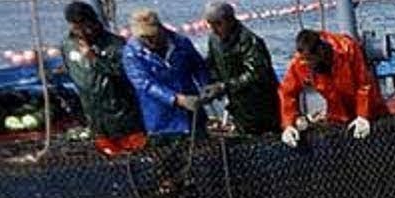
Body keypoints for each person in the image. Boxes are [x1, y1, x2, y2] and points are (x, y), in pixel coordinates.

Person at [61, 2, 147, 156]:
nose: (81, 32)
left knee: (138, 155)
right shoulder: (67, 46)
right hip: (95, 118)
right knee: (109, 159)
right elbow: (74, 75)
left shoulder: (116, 44)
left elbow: (128, 74)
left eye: (84, 26)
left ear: (93, 21)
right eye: (76, 27)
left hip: (123, 116)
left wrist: (95, 60)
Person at [278, 29, 387, 148]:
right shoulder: (301, 62)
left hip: (370, 109)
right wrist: (289, 124)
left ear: (320, 50)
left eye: (312, 60)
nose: (309, 65)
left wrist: (362, 116)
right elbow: (287, 92)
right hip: (338, 115)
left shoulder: (347, 48)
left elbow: (363, 84)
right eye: (307, 61)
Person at [122, 8, 211, 141]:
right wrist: (175, 99)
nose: (149, 42)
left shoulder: (181, 42)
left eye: (152, 36)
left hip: (192, 110)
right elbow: (144, 83)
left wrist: (206, 86)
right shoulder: (131, 53)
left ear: (160, 28)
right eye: (144, 38)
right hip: (161, 118)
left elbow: (198, 66)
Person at [201, 1, 280, 135]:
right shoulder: (214, 39)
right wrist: (211, 83)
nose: (214, 29)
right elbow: (211, 63)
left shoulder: (250, 41)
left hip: (260, 104)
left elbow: (256, 74)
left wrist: (224, 86)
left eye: (218, 24)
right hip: (237, 105)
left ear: (230, 20)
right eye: (210, 25)